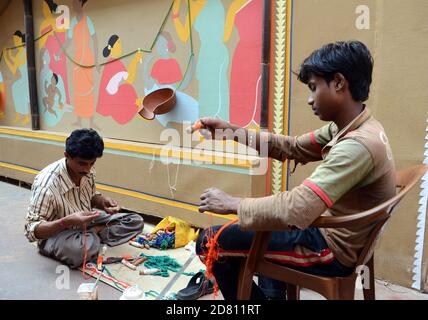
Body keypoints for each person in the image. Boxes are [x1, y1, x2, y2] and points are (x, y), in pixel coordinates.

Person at [194, 41, 395, 300]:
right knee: (264, 223)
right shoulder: (353, 126)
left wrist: (232, 202)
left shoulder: (356, 146)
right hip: (338, 236)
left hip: (329, 250)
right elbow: (293, 147)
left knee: (210, 241)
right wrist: (230, 131)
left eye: (313, 88)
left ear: (338, 83)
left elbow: (298, 209)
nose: (310, 99)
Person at [25, 129, 144, 269]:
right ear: (67, 156)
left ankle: (90, 236)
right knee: (79, 251)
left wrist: (102, 201)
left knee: (135, 221)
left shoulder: (87, 169)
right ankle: (92, 236)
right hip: (57, 233)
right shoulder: (46, 185)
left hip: (87, 221)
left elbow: (91, 195)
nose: (87, 170)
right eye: (82, 163)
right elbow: (32, 230)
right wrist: (66, 221)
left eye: (91, 163)